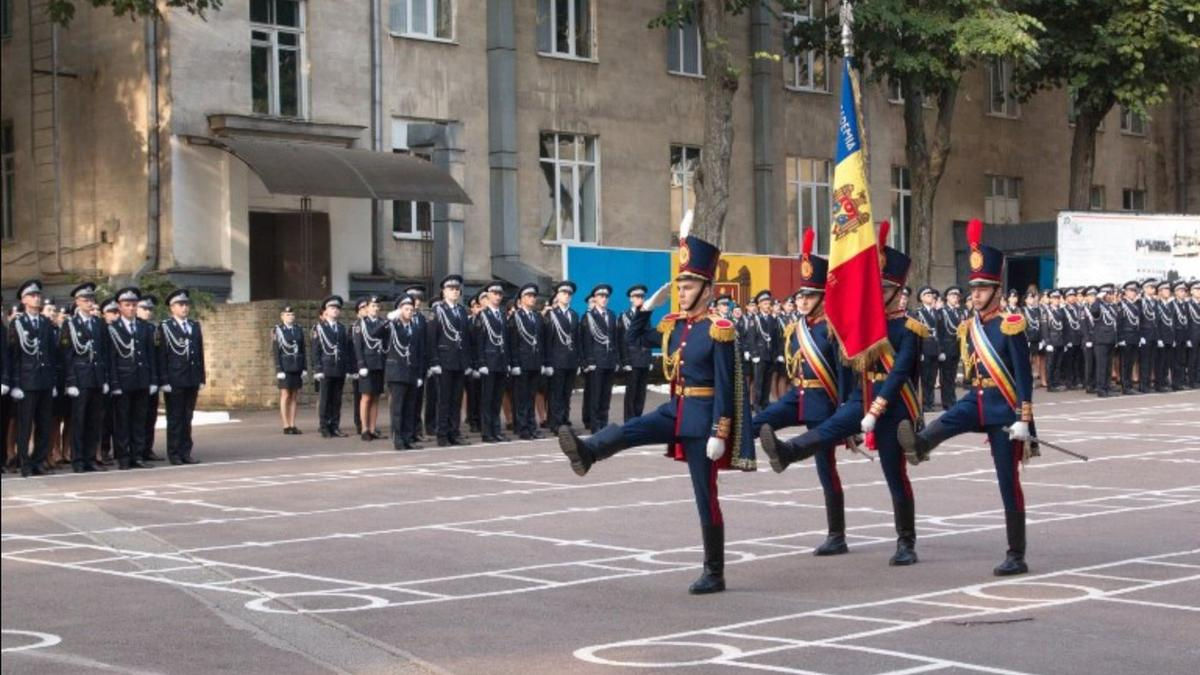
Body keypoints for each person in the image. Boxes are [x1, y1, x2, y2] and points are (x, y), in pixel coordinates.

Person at [558, 234, 755, 594]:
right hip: (676, 408)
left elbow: (728, 386)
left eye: (689, 284)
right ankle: (588, 452)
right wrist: (649, 304)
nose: (681, 291)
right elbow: (637, 337)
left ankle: (715, 571)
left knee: (704, 494)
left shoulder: (719, 329)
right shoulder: (676, 325)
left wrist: (719, 431)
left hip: (702, 418)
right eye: (680, 285)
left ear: (707, 289)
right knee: (633, 428)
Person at [758, 221, 923, 567]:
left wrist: (874, 411)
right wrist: (851, 412)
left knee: (895, 475)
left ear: (898, 291)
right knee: (826, 432)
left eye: (883, 287)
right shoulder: (863, 324)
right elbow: (849, 368)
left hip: (893, 406)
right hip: (859, 400)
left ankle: (906, 541)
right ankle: (788, 453)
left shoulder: (909, 329)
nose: (876, 292)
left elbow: (898, 374)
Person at [899, 219, 1035, 577]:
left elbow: (1023, 375)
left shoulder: (1011, 324)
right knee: (946, 420)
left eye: (982, 288)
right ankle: (920, 446)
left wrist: (1024, 417)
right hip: (975, 400)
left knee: (1008, 481)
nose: (974, 294)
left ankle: (1016, 554)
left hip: (1003, 408)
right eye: (972, 288)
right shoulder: (969, 325)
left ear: (996, 289)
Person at [753, 229, 855, 555]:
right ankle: (733, 447)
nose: (804, 300)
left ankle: (836, 535)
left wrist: (844, 420)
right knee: (761, 421)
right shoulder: (796, 328)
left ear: (824, 296)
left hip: (824, 402)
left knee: (826, 468)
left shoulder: (833, 328)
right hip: (798, 395)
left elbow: (844, 376)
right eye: (802, 296)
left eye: (810, 296)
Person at [8, 280, 60, 477]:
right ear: (24, 300)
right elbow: (13, 356)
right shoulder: (18, 323)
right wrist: (15, 383)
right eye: (32, 295)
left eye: (38, 295)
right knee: (25, 424)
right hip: (26, 381)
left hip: (45, 380)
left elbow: (51, 354)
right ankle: (25, 462)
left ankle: (39, 460)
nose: (36, 298)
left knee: (44, 423)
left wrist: (53, 382)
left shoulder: (46, 323)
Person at [108, 287, 157, 470]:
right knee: (122, 421)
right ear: (119, 307)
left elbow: (150, 355)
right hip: (123, 381)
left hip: (141, 379)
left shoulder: (144, 327)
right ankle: (123, 457)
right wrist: (114, 383)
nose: (131, 308)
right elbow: (111, 359)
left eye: (134, 305)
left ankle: (137, 455)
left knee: (139, 421)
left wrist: (153, 380)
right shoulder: (113, 328)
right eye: (127, 305)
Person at [62, 283, 109, 473]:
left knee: (93, 421)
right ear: (77, 302)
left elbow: (103, 353)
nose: (89, 303)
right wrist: (71, 381)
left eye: (91, 300)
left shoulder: (98, 323)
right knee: (79, 421)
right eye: (85, 300)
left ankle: (90, 458)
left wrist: (105, 379)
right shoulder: (70, 324)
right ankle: (78, 459)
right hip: (80, 379)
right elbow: (67, 355)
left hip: (96, 378)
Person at [158, 289, 206, 464]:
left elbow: (199, 354)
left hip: (191, 377)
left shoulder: (194, 326)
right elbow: (162, 355)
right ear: (172, 308)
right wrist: (164, 380)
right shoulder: (165, 327)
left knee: (187, 417)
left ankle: (186, 452)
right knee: (175, 418)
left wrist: (202, 377)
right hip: (175, 378)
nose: (184, 308)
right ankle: (174, 453)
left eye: (186, 304)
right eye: (180, 305)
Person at [429, 274, 471, 446]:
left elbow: (466, 339)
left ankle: (455, 432)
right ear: (443, 292)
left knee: (456, 400)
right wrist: (434, 362)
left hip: (459, 361)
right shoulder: (437, 311)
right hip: (444, 361)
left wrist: (467, 362)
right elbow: (432, 338)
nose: (455, 292)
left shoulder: (461, 311)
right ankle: (442, 434)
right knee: (444, 400)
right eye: (451, 289)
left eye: (457, 289)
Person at [384, 295, 425, 449]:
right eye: (406, 309)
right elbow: (375, 334)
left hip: (411, 372)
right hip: (396, 372)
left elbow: (420, 352)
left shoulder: (415, 327)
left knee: (410, 408)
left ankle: (408, 439)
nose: (409, 312)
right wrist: (388, 320)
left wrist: (420, 374)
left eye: (411, 309)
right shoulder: (393, 326)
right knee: (398, 408)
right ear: (399, 310)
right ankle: (398, 439)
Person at [508, 283, 545, 440]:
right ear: (521, 299)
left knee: (531, 396)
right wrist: (514, 363)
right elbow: (512, 343)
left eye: (533, 296)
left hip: (535, 362)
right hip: (522, 363)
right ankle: (523, 427)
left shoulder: (537, 317)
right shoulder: (515, 317)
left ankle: (532, 426)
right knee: (522, 397)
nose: (532, 299)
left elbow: (541, 341)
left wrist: (543, 362)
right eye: (528, 296)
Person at [312, 295, 352, 438]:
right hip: (326, 367)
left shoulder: (341, 328)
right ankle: (324, 427)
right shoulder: (319, 328)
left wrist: (347, 368)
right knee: (325, 399)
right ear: (326, 311)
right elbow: (316, 350)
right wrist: (318, 369)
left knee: (336, 399)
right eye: (332, 308)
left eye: (337, 308)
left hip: (339, 367)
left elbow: (345, 350)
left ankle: (335, 426)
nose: (335, 310)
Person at [474, 283, 510, 442]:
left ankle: (496, 430)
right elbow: (479, 341)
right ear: (488, 295)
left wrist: (508, 362)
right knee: (487, 400)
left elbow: (506, 340)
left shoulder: (502, 315)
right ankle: (487, 432)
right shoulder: (482, 315)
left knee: (497, 400)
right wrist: (480, 362)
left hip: (501, 362)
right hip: (488, 362)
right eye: (494, 293)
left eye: (500, 294)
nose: (497, 296)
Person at [581, 283, 619, 433]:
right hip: (596, 361)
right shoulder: (589, 317)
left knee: (606, 394)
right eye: (600, 296)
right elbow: (586, 341)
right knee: (595, 395)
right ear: (594, 298)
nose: (604, 299)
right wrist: (589, 360)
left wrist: (616, 359)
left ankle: (604, 421)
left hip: (609, 360)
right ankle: (595, 424)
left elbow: (614, 339)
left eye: (606, 296)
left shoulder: (611, 315)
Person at [544, 281, 581, 432]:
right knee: (556, 394)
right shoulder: (551, 314)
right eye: (563, 293)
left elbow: (577, 339)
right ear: (557, 295)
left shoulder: (573, 315)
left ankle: (564, 421)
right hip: (557, 360)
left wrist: (579, 361)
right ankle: (556, 423)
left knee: (566, 394)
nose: (566, 296)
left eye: (569, 294)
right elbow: (547, 340)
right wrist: (547, 362)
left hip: (571, 360)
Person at [353, 296, 387, 441]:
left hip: (379, 363)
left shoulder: (382, 323)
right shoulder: (360, 324)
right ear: (366, 308)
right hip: (367, 364)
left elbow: (386, 343)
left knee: (376, 398)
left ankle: (373, 428)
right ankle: (364, 429)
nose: (376, 309)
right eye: (373, 306)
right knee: (366, 397)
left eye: (377, 306)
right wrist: (361, 365)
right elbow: (358, 346)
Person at [404, 285, 434, 441]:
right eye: (414, 299)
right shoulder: (400, 318)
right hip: (405, 364)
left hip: (419, 365)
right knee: (405, 401)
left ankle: (416, 431)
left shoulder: (421, 318)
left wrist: (426, 365)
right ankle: (405, 432)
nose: (417, 303)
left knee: (417, 401)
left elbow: (424, 343)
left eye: (419, 300)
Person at [619, 284, 653, 421]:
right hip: (632, 359)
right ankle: (629, 419)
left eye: (642, 296)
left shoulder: (645, 316)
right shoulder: (624, 317)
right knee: (631, 392)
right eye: (637, 296)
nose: (640, 299)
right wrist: (625, 361)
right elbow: (622, 341)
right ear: (631, 299)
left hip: (644, 358)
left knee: (641, 392)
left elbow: (648, 338)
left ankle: (638, 418)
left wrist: (650, 359)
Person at [136, 294, 163, 462]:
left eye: (150, 309)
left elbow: (158, 356)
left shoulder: (153, 329)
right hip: (138, 378)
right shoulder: (135, 328)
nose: (148, 312)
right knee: (138, 417)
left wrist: (158, 378)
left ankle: (147, 448)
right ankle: (136, 450)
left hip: (151, 377)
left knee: (150, 416)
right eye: (144, 309)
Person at [273, 305, 307, 434]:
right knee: (285, 395)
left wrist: (304, 367)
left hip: (296, 366)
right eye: (287, 315)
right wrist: (278, 369)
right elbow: (276, 351)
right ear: (282, 317)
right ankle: (286, 425)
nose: (290, 317)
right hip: (285, 367)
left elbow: (303, 349)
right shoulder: (278, 330)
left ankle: (293, 424)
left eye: (292, 315)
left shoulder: (298, 329)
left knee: (294, 395)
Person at [747, 290, 781, 413]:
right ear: (759, 305)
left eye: (768, 303)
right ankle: (757, 406)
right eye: (765, 303)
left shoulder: (773, 319)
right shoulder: (755, 319)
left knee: (767, 381)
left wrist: (777, 354)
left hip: (770, 355)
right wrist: (754, 354)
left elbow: (776, 338)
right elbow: (751, 338)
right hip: (760, 355)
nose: (768, 305)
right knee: (758, 382)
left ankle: (765, 403)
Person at [913, 287, 940, 412]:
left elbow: (940, 332)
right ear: (922, 298)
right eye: (927, 294)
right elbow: (917, 335)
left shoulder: (936, 312)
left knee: (932, 378)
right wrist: (919, 351)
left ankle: (930, 402)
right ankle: (923, 403)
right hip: (925, 347)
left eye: (931, 294)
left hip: (934, 348)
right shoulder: (918, 313)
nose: (930, 296)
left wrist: (940, 350)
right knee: (924, 378)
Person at [939, 286, 966, 409]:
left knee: (953, 375)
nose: (955, 298)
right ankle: (946, 401)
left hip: (956, 347)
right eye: (952, 296)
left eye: (957, 296)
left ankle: (952, 399)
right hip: (946, 346)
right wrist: (941, 350)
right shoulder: (942, 312)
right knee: (946, 376)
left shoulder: (960, 312)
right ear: (947, 298)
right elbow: (939, 332)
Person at [1089, 284, 1118, 397]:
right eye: (1109, 293)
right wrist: (1098, 299)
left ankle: (1107, 386)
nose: (1111, 296)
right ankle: (1101, 389)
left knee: (1108, 366)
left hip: (1110, 340)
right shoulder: (1098, 306)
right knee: (1102, 366)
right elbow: (1094, 312)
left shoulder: (1111, 306)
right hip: (1101, 340)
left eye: (1111, 293)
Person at [1115, 281, 1141, 395]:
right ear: (1125, 292)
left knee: (1131, 362)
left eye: (1134, 291)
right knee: (1125, 363)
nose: (1133, 293)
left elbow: (1137, 323)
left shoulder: (1135, 305)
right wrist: (1120, 339)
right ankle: (1125, 386)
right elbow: (1118, 323)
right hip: (1125, 337)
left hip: (1134, 337)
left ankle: (1129, 384)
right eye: (1131, 291)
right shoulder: (1121, 305)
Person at [1138, 279, 1160, 393]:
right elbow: (1139, 320)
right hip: (1145, 336)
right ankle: (1143, 385)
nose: (1153, 289)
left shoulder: (1155, 302)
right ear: (1145, 289)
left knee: (1151, 361)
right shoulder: (1140, 302)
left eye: (1153, 287)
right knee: (1145, 362)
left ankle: (1148, 383)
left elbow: (1156, 320)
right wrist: (1141, 336)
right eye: (1151, 287)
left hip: (1154, 336)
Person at [1043, 289, 1066, 391]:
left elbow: (1064, 327)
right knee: (1050, 363)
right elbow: (1044, 328)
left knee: (1058, 363)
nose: (1056, 300)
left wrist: (1065, 341)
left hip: (1060, 340)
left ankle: (1056, 382)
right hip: (1052, 340)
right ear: (1050, 300)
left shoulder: (1061, 311)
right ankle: (1050, 384)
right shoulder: (1046, 312)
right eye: (1054, 298)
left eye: (1057, 298)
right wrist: (1047, 342)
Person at [1170, 281, 1190, 390]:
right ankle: (1175, 382)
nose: (1183, 293)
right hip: (1176, 335)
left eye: (1184, 291)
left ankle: (1181, 381)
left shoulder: (1185, 305)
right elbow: (1171, 322)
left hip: (1183, 335)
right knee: (1175, 361)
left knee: (1182, 360)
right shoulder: (1172, 305)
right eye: (1181, 291)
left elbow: (1186, 322)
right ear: (1176, 292)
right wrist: (1172, 337)